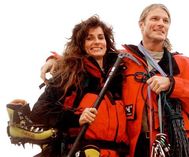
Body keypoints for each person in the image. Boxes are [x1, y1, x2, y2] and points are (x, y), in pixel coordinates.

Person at [40, 4, 189, 157]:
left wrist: (172, 84)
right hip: (138, 146)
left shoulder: (187, 64)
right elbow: (90, 53)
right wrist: (55, 60)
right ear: (142, 24)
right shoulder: (122, 60)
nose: (161, 23)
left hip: (183, 143)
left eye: (165, 20)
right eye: (155, 18)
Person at [7, 15, 129, 157]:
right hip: (81, 152)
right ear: (80, 44)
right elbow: (40, 112)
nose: (97, 42)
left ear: (107, 41)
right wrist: (76, 118)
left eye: (100, 37)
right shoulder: (70, 75)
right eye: (89, 38)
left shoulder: (120, 72)